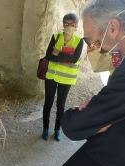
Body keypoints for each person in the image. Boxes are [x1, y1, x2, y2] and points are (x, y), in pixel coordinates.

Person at [55, 1, 125, 166]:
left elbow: (74, 126)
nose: (91, 47)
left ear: (114, 27)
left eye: (90, 39)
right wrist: (103, 108)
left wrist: (96, 112)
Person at [42, 13, 84, 141]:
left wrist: (58, 53)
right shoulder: (55, 37)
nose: (69, 26)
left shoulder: (79, 41)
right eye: (67, 23)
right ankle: (45, 129)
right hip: (51, 76)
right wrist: (67, 57)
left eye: (72, 24)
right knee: (48, 103)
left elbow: (75, 58)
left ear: (76, 26)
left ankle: (57, 130)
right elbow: (48, 55)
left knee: (60, 105)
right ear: (63, 25)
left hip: (67, 78)